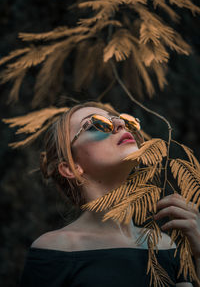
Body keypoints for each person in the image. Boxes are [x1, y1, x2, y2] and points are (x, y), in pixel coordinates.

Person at [20, 101, 200, 287]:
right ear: (72, 167)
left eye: (124, 120)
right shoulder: (55, 249)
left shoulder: (165, 246)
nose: (120, 124)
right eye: (96, 124)